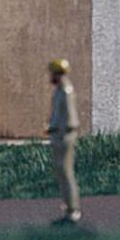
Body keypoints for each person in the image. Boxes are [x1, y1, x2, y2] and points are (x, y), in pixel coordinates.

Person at [47, 57, 80, 225]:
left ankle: (73, 210)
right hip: (58, 133)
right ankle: (68, 207)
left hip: (64, 134)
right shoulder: (60, 90)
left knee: (66, 172)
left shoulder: (66, 91)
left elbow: (68, 116)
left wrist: (60, 131)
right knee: (61, 172)